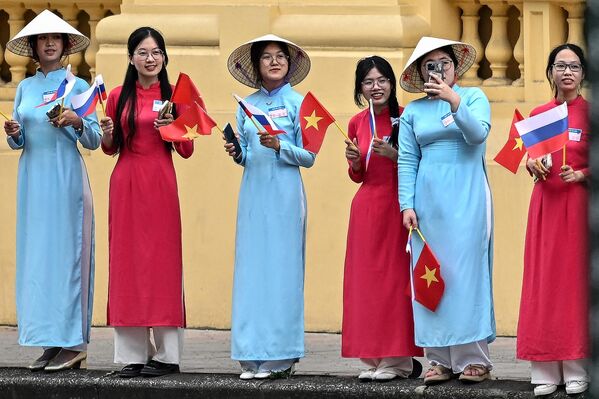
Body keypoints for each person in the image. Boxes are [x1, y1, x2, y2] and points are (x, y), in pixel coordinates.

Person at [3, 10, 100, 371]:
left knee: (67, 258)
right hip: (33, 183)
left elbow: (91, 138)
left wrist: (76, 121)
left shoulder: (77, 86)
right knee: (39, 259)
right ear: (33, 46)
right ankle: (49, 341)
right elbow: (22, 140)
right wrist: (15, 134)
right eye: (41, 39)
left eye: (54, 38)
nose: (48, 43)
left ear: (64, 45)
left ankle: (73, 343)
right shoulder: (25, 88)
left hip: (66, 181)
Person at [397, 36, 494, 385]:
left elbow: (477, 135)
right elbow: (407, 159)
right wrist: (406, 204)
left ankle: (473, 358)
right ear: (421, 72)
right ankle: (438, 357)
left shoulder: (473, 98)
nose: (438, 71)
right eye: (430, 66)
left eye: (444, 64)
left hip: (467, 199)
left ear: (455, 67)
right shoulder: (413, 111)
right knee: (430, 275)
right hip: (428, 204)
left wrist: (454, 101)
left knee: (465, 275)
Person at [99, 27, 193, 378]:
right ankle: (132, 355)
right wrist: (107, 135)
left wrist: (174, 128)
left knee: (163, 264)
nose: (150, 58)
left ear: (164, 57)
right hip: (126, 182)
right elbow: (110, 148)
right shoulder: (117, 96)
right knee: (127, 263)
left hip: (160, 182)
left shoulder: (175, 96)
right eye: (142, 52)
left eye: (156, 52)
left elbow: (187, 149)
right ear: (131, 57)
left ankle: (167, 356)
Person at [224, 34, 314, 380]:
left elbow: (308, 157)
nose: (274, 62)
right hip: (254, 194)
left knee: (281, 270)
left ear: (289, 63)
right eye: (267, 57)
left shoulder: (300, 104)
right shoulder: (245, 104)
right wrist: (238, 153)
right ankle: (251, 351)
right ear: (256, 66)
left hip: (286, 195)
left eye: (280, 56)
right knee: (251, 271)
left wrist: (280, 146)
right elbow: (248, 156)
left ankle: (280, 354)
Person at [341, 56, 423, 381]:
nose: (376, 87)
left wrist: (395, 155)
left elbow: (418, 162)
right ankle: (373, 357)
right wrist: (355, 161)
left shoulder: (406, 118)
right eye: (368, 82)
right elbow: (357, 176)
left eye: (381, 80)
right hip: (365, 208)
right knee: (367, 283)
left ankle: (399, 359)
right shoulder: (356, 123)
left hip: (398, 206)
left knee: (394, 282)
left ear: (392, 83)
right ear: (361, 88)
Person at [516, 43, 589, 397]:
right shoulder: (541, 113)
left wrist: (583, 173)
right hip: (546, 205)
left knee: (574, 285)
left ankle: (577, 366)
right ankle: (544, 367)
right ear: (551, 72)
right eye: (560, 66)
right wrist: (533, 164)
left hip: (578, 206)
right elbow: (533, 156)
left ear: (583, 74)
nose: (567, 72)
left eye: (574, 66)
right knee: (544, 284)